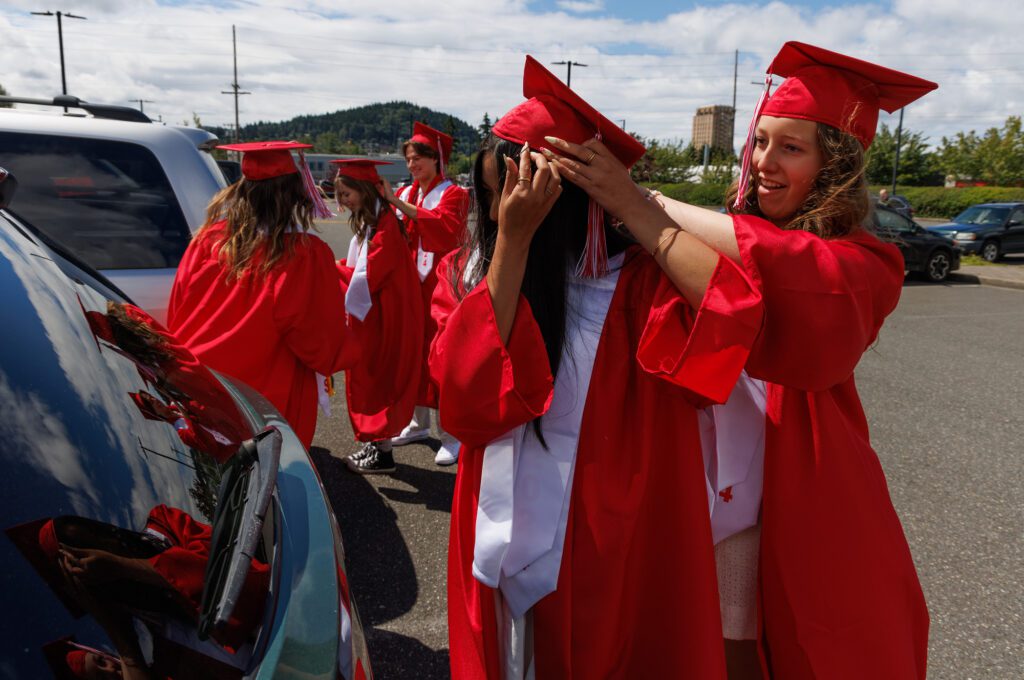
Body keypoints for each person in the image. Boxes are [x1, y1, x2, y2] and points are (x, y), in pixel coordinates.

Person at [544, 41, 936, 679]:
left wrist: (638, 202)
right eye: (760, 142)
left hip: (789, 486)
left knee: (761, 643)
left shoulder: (868, 264)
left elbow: (787, 269)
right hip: (691, 478)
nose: (763, 163)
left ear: (835, 167)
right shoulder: (714, 230)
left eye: (791, 148)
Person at [431, 56, 764, 679]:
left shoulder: (638, 288)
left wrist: (634, 205)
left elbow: (734, 313)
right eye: (494, 193)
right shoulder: (473, 274)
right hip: (500, 536)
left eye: (522, 193)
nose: (503, 208)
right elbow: (463, 398)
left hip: (613, 537)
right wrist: (512, 242)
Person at [168, 141, 357, 450]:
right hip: (265, 396)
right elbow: (317, 339)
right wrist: (356, 346)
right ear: (295, 192)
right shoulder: (303, 254)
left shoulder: (207, 240)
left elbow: (179, 309)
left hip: (202, 384)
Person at [381, 122, 470, 465]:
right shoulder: (406, 194)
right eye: (408, 159)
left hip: (441, 284)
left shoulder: (454, 194)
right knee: (412, 353)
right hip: (409, 284)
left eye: (419, 158)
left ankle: (452, 434)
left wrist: (397, 205)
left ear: (438, 159)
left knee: (442, 355)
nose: (412, 164)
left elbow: (445, 230)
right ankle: (418, 423)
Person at [334, 159, 425, 474]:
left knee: (377, 382)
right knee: (371, 381)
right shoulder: (373, 221)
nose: (343, 200)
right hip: (375, 314)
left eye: (347, 193)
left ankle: (382, 454)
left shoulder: (385, 224)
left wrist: (329, 271)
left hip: (383, 319)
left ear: (362, 190)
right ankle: (376, 447)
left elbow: (370, 273)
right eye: (340, 194)